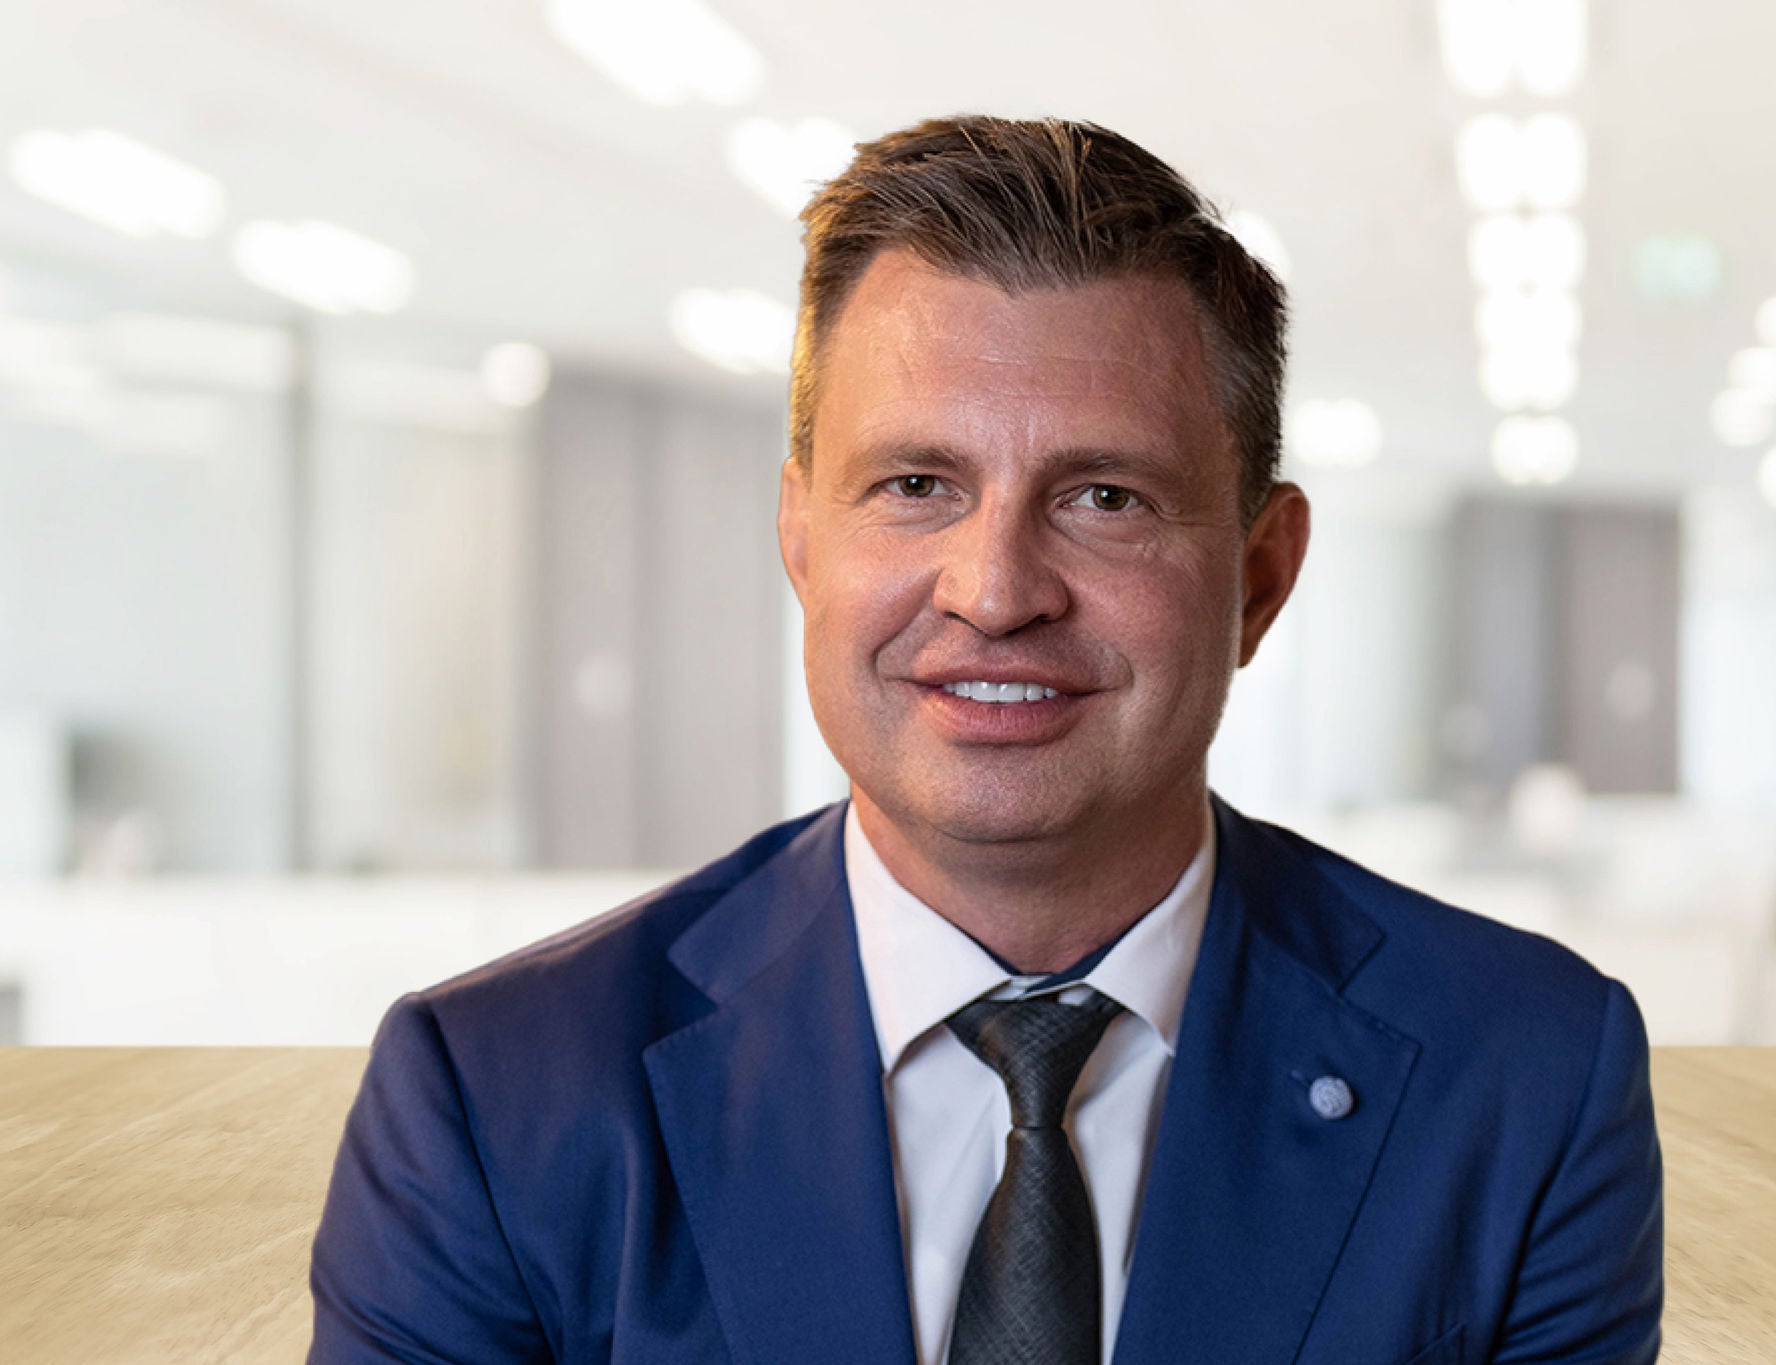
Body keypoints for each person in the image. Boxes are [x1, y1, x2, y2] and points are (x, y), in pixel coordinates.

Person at [309, 115, 1662, 1365]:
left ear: (1260, 576)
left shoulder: (1525, 1080)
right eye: (916, 484)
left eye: (1105, 497)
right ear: (801, 540)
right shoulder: (495, 1100)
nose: (996, 590)